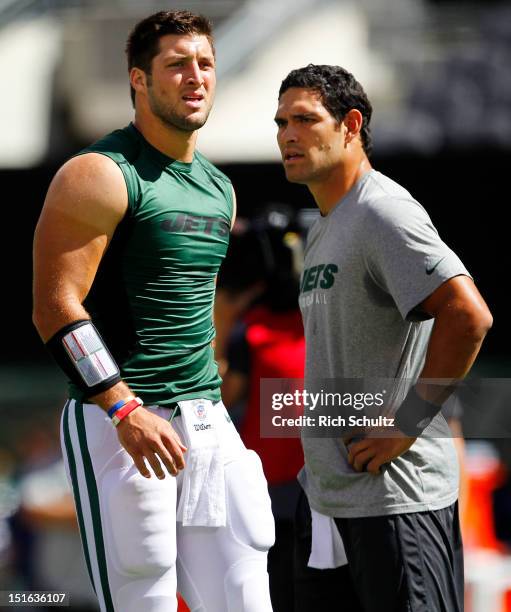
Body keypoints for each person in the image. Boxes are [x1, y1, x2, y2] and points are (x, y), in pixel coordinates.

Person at [32, 11, 274, 612]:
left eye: (206, 64)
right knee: (146, 599)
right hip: (123, 422)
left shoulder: (220, 186)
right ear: (138, 80)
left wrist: (220, 377)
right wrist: (123, 407)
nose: (196, 78)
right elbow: (55, 306)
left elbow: (197, 304)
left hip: (208, 421)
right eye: (176, 65)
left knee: (247, 598)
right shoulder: (98, 172)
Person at [274, 64, 493, 612]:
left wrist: (404, 423)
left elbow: (468, 315)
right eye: (280, 123)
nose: (287, 135)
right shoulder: (327, 223)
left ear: (351, 125)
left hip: (396, 500)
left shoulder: (382, 211)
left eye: (304, 119)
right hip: (330, 503)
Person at [217, 205, 306, 611]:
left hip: (327, 484)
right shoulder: (250, 326)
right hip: (270, 489)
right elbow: (223, 396)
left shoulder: (326, 316)